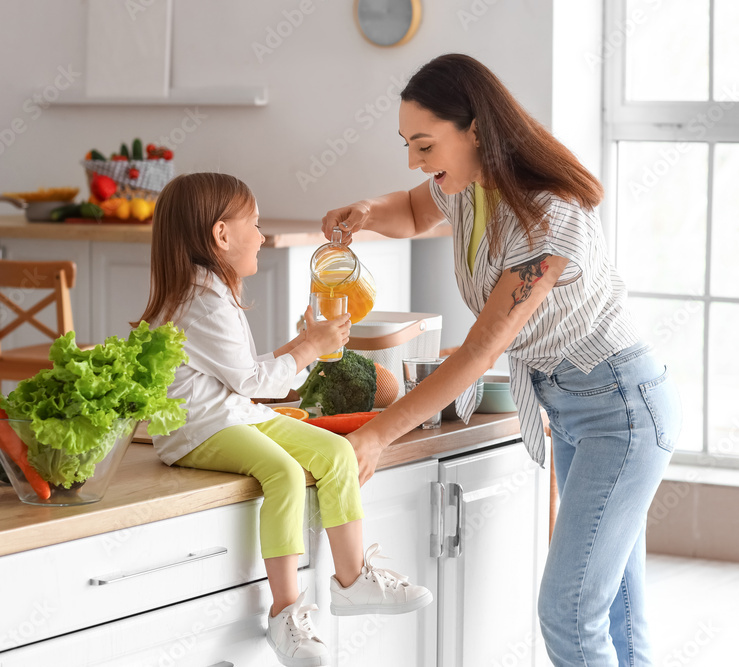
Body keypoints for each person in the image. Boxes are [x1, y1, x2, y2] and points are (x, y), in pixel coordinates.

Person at [322, 54, 681, 666]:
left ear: (477, 132)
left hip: (620, 411)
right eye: (409, 144)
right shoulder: (466, 186)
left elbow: (483, 347)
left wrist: (378, 436)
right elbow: (410, 211)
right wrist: (364, 212)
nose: (415, 160)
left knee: (569, 614)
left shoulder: (549, 218)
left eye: (425, 144)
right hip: (571, 407)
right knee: (616, 604)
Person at [137, 172, 433, 667]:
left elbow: (243, 378)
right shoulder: (200, 302)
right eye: (254, 224)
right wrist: (308, 348)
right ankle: (285, 613)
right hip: (196, 432)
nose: (262, 235)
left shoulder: (211, 292)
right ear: (221, 235)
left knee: (338, 452)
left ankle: (353, 580)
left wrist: (304, 344)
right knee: (284, 473)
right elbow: (255, 382)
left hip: (231, 416)